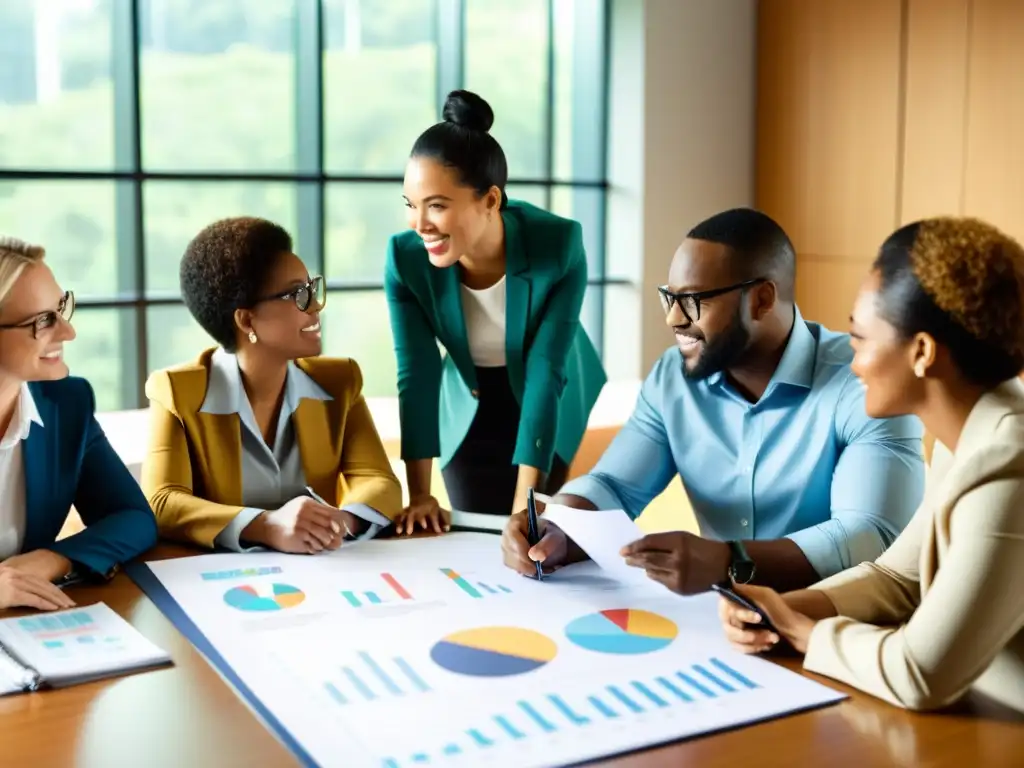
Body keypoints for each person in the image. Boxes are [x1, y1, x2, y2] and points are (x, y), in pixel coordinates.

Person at [502, 207, 926, 593]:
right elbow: (614, 485)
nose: (673, 318)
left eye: (694, 300)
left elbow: (870, 534)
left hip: (839, 624)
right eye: (670, 297)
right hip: (726, 622)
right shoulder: (673, 377)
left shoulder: (864, 382)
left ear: (761, 299)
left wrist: (731, 561)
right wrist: (560, 524)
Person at [718, 217, 1024, 714]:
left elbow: (922, 675)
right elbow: (899, 579)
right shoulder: (969, 432)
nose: (852, 361)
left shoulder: (1009, 464)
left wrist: (803, 631)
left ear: (922, 351)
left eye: (860, 338)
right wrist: (787, 605)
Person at [385, 89, 606, 530]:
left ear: (490, 200)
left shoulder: (558, 245)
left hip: (547, 389)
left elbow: (547, 372)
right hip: (468, 395)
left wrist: (525, 509)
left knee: (532, 532)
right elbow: (418, 373)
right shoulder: (404, 258)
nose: (419, 224)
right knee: (472, 532)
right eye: (411, 205)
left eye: (437, 206)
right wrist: (421, 496)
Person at [142, 217, 402, 554]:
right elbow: (161, 502)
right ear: (246, 320)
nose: (316, 305)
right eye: (298, 294)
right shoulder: (178, 392)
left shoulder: (340, 382)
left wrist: (335, 523)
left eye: (312, 289)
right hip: (224, 587)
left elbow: (379, 480)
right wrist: (267, 526)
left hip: (324, 576)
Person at [0, 237, 157, 611]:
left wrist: (50, 560)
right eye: (42, 320)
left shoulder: (65, 404)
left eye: (60, 308)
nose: (68, 333)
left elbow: (133, 518)